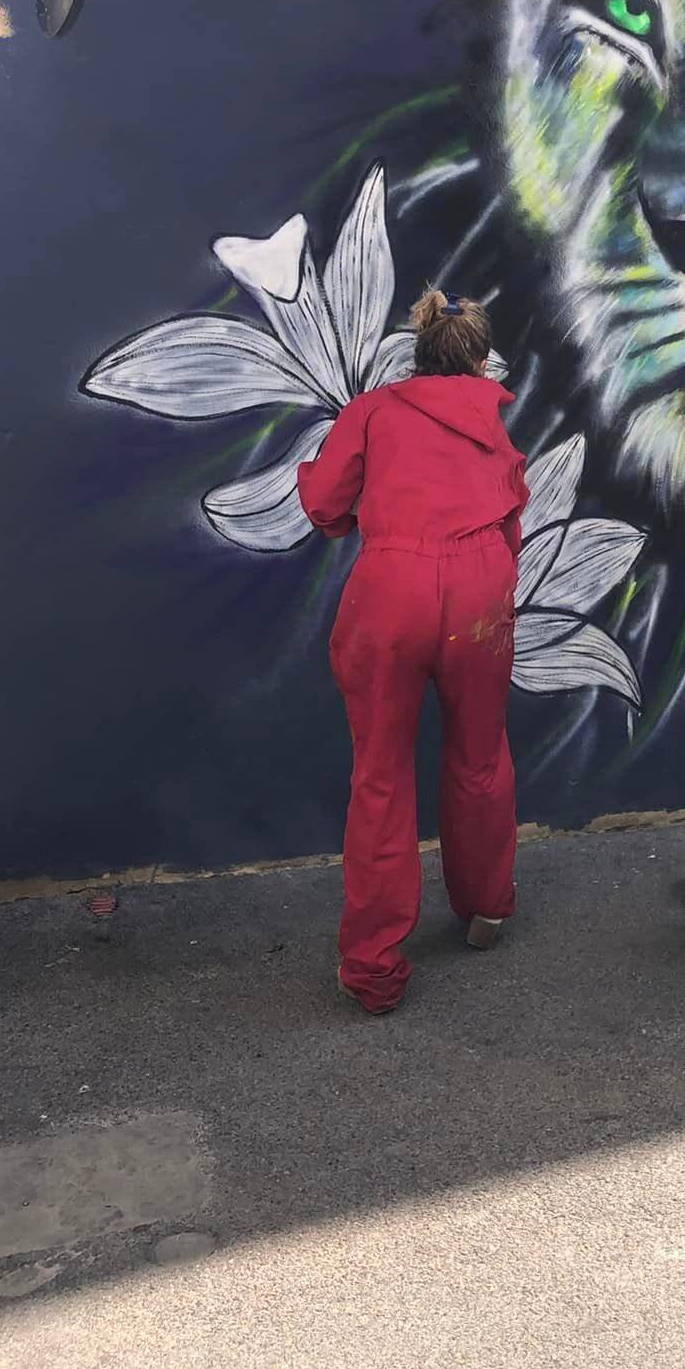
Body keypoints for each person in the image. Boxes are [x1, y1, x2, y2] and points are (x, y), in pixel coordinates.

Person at [297, 288, 528, 1015]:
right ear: (481, 362)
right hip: (480, 587)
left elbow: (324, 505)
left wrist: (339, 499)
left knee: (381, 774)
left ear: (416, 352)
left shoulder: (371, 411)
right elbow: (512, 517)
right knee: (480, 755)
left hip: (392, 587)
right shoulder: (491, 420)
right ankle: (486, 908)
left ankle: (373, 970)